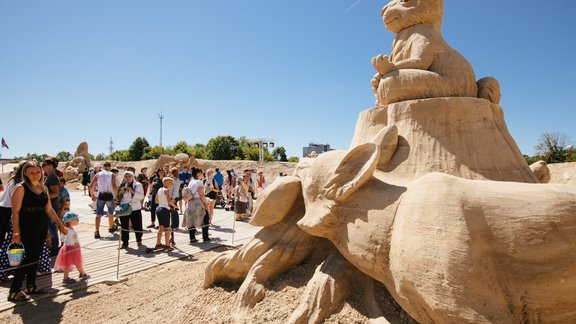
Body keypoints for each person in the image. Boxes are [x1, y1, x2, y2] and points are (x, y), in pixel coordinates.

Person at [8, 161, 68, 302]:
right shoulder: (20, 188)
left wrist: (60, 224)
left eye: (37, 172)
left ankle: (31, 286)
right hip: (26, 228)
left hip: (41, 227)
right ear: (25, 174)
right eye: (32, 172)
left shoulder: (43, 188)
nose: (35, 175)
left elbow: (49, 209)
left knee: (35, 258)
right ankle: (14, 291)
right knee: (27, 259)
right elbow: (15, 212)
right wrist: (16, 233)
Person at [54, 212, 89, 283]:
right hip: (69, 249)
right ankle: (67, 277)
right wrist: (64, 234)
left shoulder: (73, 228)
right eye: (77, 219)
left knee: (78, 262)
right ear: (71, 221)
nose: (78, 221)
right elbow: (63, 240)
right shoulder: (66, 230)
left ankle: (81, 273)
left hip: (76, 248)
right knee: (68, 264)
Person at [89, 161, 118, 239]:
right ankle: (111, 227)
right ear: (110, 167)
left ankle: (97, 231)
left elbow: (91, 185)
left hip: (101, 195)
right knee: (111, 213)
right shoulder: (112, 175)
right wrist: (116, 196)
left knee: (98, 214)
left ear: (103, 167)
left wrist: (92, 195)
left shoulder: (97, 174)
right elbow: (114, 186)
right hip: (109, 195)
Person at [117, 171, 145, 249]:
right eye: (126, 176)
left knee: (137, 225)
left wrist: (132, 191)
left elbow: (141, 197)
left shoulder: (138, 185)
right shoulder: (122, 185)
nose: (127, 178)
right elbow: (118, 197)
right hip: (125, 207)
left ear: (132, 177)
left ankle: (139, 240)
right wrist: (121, 193)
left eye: (129, 176)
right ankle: (125, 243)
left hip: (135, 208)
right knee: (124, 225)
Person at [182, 168, 210, 243]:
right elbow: (201, 194)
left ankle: (192, 238)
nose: (202, 175)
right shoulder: (199, 182)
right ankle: (205, 237)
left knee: (191, 220)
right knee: (205, 218)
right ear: (198, 174)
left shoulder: (191, 181)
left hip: (190, 202)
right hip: (198, 202)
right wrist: (206, 203)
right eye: (201, 173)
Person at [42, 158, 61, 256]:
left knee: (52, 228)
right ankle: (53, 249)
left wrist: (42, 197)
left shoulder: (52, 177)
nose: (43, 166)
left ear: (51, 166)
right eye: (43, 165)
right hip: (50, 207)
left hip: (52, 207)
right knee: (51, 228)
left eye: (45, 164)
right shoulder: (49, 177)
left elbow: (56, 193)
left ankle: (54, 251)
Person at [155, 177, 177, 250]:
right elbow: (169, 201)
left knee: (161, 227)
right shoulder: (166, 190)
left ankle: (158, 243)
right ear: (166, 182)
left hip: (159, 209)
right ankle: (167, 245)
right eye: (170, 182)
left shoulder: (159, 189)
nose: (171, 184)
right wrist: (175, 206)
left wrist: (163, 203)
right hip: (164, 210)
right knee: (167, 228)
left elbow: (156, 200)